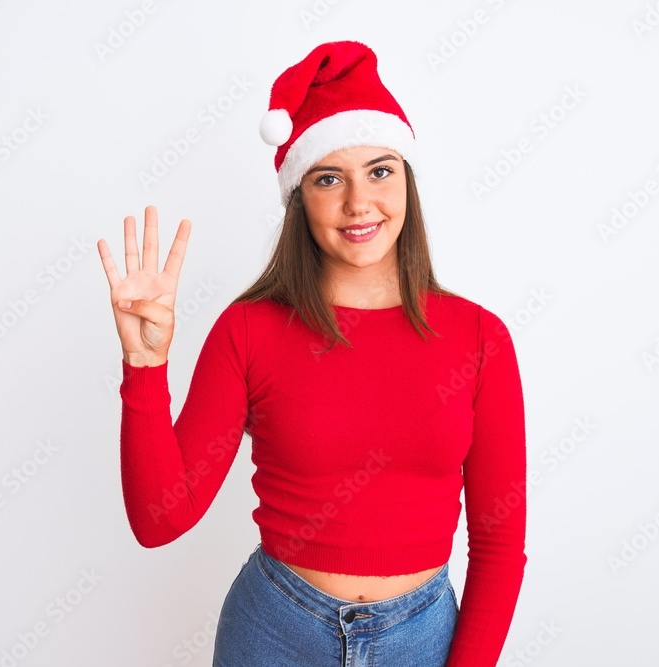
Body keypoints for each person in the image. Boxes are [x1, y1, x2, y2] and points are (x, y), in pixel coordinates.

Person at [98, 40, 527, 667]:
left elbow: (498, 542)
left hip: (422, 640)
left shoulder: (480, 339)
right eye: (330, 178)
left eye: (380, 171)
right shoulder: (249, 331)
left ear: (406, 178)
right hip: (272, 633)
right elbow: (160, 520)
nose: (359, 203)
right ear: (300, 197)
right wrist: (145, 369)